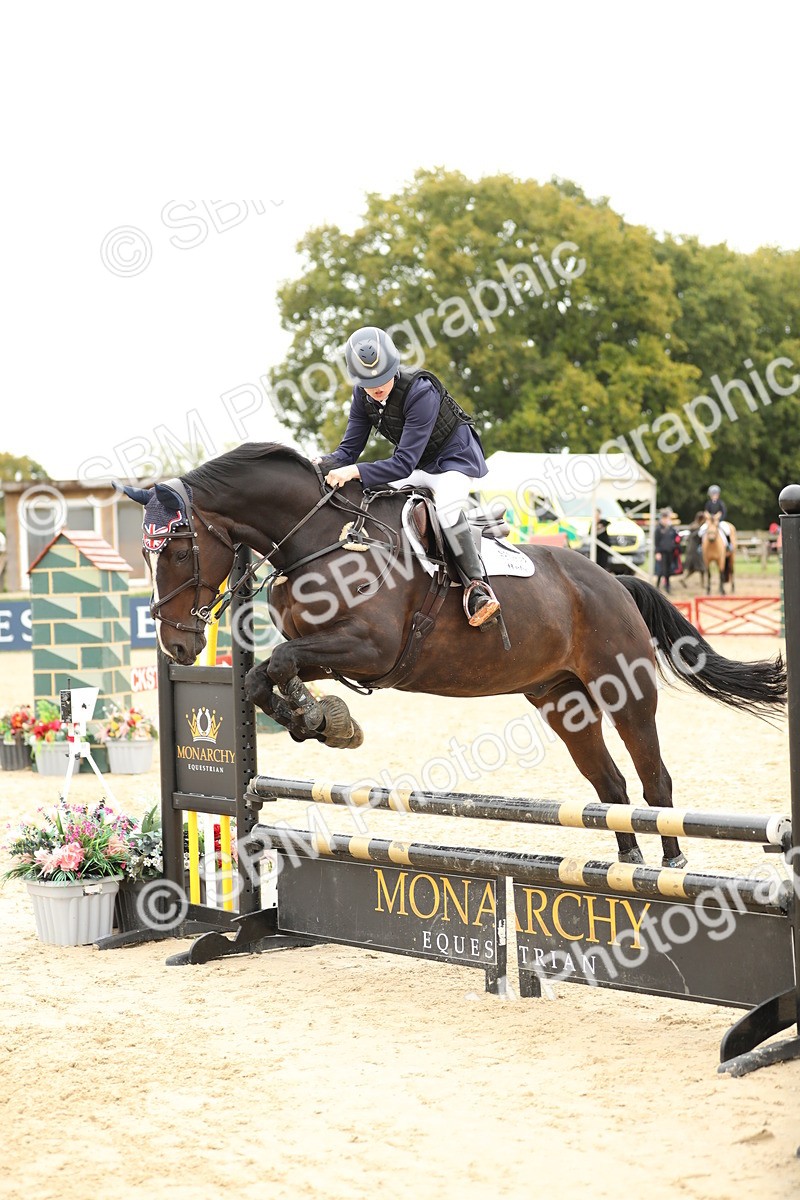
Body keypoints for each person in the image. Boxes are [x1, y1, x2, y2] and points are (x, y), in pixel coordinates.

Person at [319, 326, 500, 627]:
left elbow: (401, 464)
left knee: (446, 510)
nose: (376, 387)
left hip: (453, 461)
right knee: (376, 500)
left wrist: (352, 472)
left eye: (382, 377)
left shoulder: (420, 392)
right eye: (368, 381)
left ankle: (477, 587)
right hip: (419, 466)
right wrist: (320, 464)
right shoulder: (362, 397)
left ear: (394, 366)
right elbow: (347, 452)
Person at [654, 507, 681, 593]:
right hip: (662, 552)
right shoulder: (658, 530)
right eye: (664, 518)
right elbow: (656, 542)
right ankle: (657, 586)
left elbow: (676, 538)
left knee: (668, 570)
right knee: (661, 570)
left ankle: (667, 586)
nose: (665, 520)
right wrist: (657, 552)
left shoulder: (671, 529)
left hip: (670, 552)